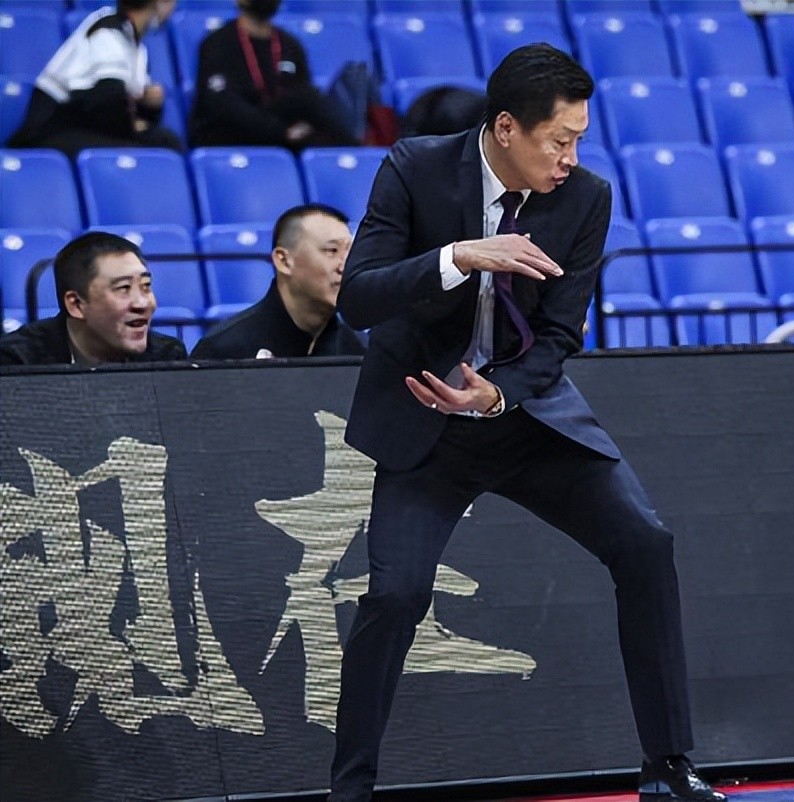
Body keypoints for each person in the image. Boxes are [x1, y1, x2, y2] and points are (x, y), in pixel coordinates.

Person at [328, 44, 727, 802]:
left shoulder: (586, 198)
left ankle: (668, 767)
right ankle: (350, 789)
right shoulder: (414, 166)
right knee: (395, 597)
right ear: (506, 128)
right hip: (424, 419)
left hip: (524, 416)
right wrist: (458, 255)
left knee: (645, 544)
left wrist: (498, 396)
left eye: (580, 139)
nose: (572, 157)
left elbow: (558, 336)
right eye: (560, 140)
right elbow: (360, 297)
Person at [5, 0, 182, 158]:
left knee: (165, 142)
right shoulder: (108, 31)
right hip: (53, 130)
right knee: (147, 149)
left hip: (89, 127)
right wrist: (136, 126)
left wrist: (152, 106)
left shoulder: (138, 48)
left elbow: (127, 110)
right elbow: (106, 101)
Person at [192, 203, 365, 360]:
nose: (345, 266)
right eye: (332, 250)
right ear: (283, 261)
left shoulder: (359, 349)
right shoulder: (223, 351)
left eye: (350, 252)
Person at [188, 0, 358, 152]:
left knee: (309, 103)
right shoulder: (217, 43)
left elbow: (302, 97)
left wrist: (290, 131)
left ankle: (359, 154)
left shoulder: (290, 45)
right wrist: (280, 131)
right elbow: (222, 104)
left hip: (279, 131)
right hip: (230, 133)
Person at [0, 231, 187, 366]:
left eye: (146, 286)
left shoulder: (166, 357)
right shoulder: (18, 363)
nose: (143, 303)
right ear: (76, 304)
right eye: (124, 288)